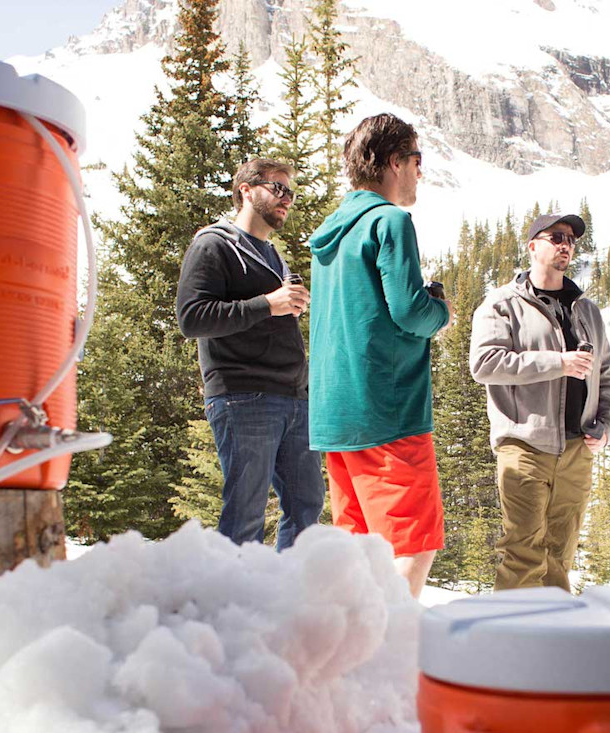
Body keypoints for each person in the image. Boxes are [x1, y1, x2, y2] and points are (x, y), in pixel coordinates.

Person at [307, 113, 450, 598]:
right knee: (413, 542)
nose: (419, 172)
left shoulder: (330, 232)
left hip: (335, 414)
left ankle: (354, 642)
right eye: (416, 160)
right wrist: (441, 311)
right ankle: (393, 640)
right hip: (387, 410)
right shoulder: (390, 221)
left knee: (361, 550)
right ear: (394, 162)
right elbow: (409, 311)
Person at [176, 158, 322, 550]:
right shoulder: (213, 244)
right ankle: (230, 591)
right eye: (277, 188)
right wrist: (267, 304)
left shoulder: (273, 255)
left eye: (290, 193)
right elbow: (192, 318)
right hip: (244, 396)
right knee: (245, 515)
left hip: (294, 398)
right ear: (245, 190)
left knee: (307, 509)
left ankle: (288, 587)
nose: (286, 199)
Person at [470, 213, 610, 591]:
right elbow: (485, 364)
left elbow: (607, 375)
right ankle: (509, 628)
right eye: (556, 237)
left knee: (560, 554)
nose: (565, 245)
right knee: (523, 551)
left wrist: (607, 427)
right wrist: (558, 363)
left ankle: (553, 626)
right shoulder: (502, 304)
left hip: (576, 450)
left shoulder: (586, 310)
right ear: (533, 246)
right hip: (523, 445)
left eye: (570, 239)